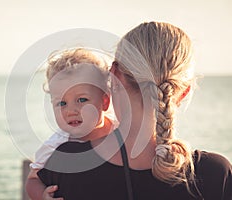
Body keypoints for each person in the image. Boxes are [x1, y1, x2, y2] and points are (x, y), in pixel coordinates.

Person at [26, 22, 232, 200]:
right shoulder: (216, 174)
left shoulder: (66, 162)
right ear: (183, 92)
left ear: (114, 75)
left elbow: (34, 184)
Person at [26, 48, 118, 199]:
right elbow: (32, 179)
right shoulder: (56, 144)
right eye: (62, 103)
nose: (71, 111)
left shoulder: (119, 129)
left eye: (82, 100)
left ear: (105, 101)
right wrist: (42, 195)